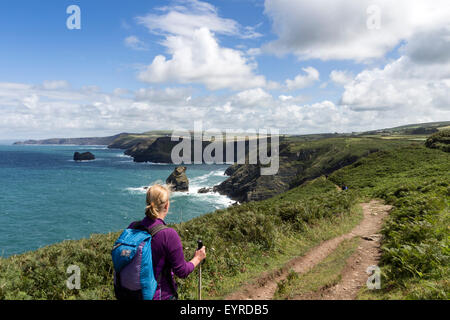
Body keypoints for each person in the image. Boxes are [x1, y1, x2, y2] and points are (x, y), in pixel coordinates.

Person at [115, 184, 206, 300]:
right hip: (160, 296)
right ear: (167, 205)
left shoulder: (133, 227)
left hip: (129, 295)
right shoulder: (168, 235)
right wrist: (198, 258)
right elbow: (182, 271)